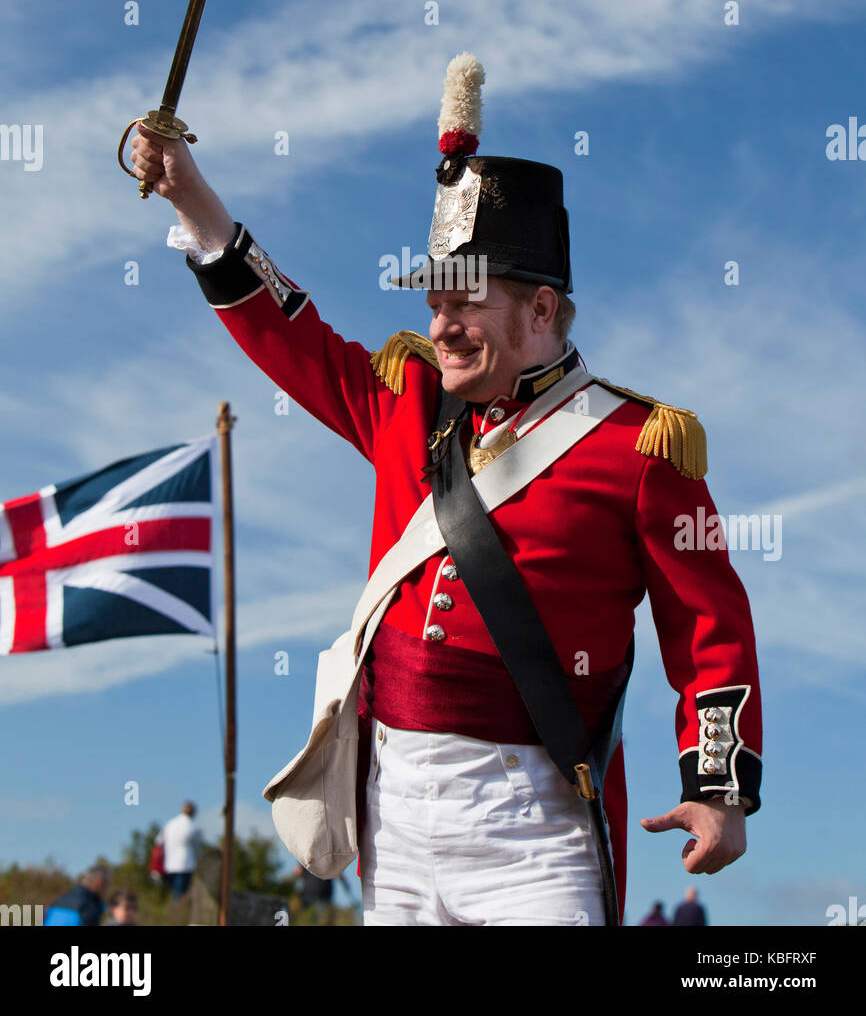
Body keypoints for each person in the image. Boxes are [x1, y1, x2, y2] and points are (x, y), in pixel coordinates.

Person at [130, 52, 762, 927]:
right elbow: (295, 336)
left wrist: (718, 788)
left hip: (534, 821)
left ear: (541, 312)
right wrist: (191, 196)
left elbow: (707, 626)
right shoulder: (405, 400)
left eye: (465, 303)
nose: (439, 326)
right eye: (434, 303)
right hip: (394, 806)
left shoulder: (640, 445)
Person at [156, 801, 202, 900]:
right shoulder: (192, 827)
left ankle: (175, 911)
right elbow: (197, 848)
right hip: (185, 865)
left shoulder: (170, 824)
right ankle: (177, 912)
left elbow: (159, 841)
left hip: (169, 864)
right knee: (180, 894)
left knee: (175, 892)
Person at [45, 864, 110, 926]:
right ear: (99, 883)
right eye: (106, 885)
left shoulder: (57, 901)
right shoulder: (89, 907)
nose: (106, 890)